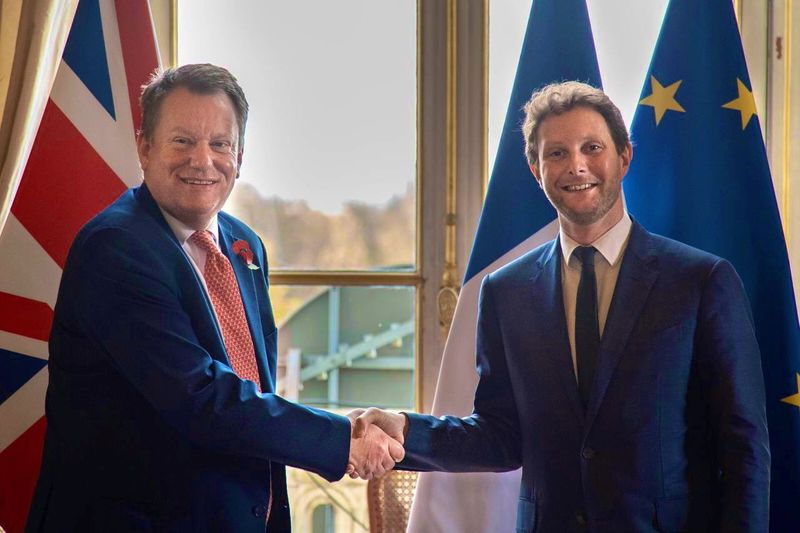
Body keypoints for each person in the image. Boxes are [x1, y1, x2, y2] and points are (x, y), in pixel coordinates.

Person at [354, 81, 770, 532]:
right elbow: (500, 436)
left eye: (592, 147)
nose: (576, 165)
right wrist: (404, 428)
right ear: (536, 169)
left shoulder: (700, 281)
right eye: (556, 153)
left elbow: (743, 448)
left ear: (624, 157)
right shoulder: (505, 292)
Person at [26, 64, 402, 533]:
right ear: (144, 147)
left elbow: (254, 390)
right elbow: (201, 396)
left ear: (239, 156)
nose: (203, 161)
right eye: (182, 141)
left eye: (220, 144)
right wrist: (341, 438)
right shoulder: (116, 248)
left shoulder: (245, 246)